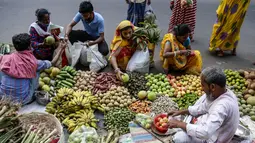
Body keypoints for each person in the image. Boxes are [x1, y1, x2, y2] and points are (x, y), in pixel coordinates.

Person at [167, 66, 239, 143]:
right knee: (186, 125)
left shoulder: (222, 106)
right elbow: (204, 107)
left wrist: (179, 124)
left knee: (179, 138)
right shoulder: (221, 93)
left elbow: (204, 133)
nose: (202, 88)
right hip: (212, 131)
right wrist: (182, 111)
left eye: (203, 85)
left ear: (212, 87)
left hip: (214, 139)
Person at [0, 33, 66, 105]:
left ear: (15, 47)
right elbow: (52, 63)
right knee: (36, 71)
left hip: (3, 97)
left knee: (3, 67)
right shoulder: (34, 63)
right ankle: (32, 92)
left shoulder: (5, 58)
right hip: (23, 100)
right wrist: (61, 49)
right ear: (29, 46)